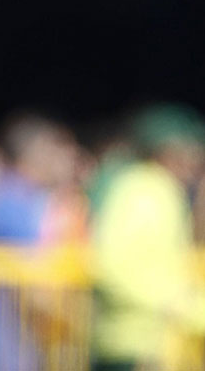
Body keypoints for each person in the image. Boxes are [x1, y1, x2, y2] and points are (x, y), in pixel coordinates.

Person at [91, 103, 205, 371]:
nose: (197, 158)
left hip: (159, 346)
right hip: (133, 347)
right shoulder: (143, 191)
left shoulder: (160, 188)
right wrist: (177, 304)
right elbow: (112, 264)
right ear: (167, 150)